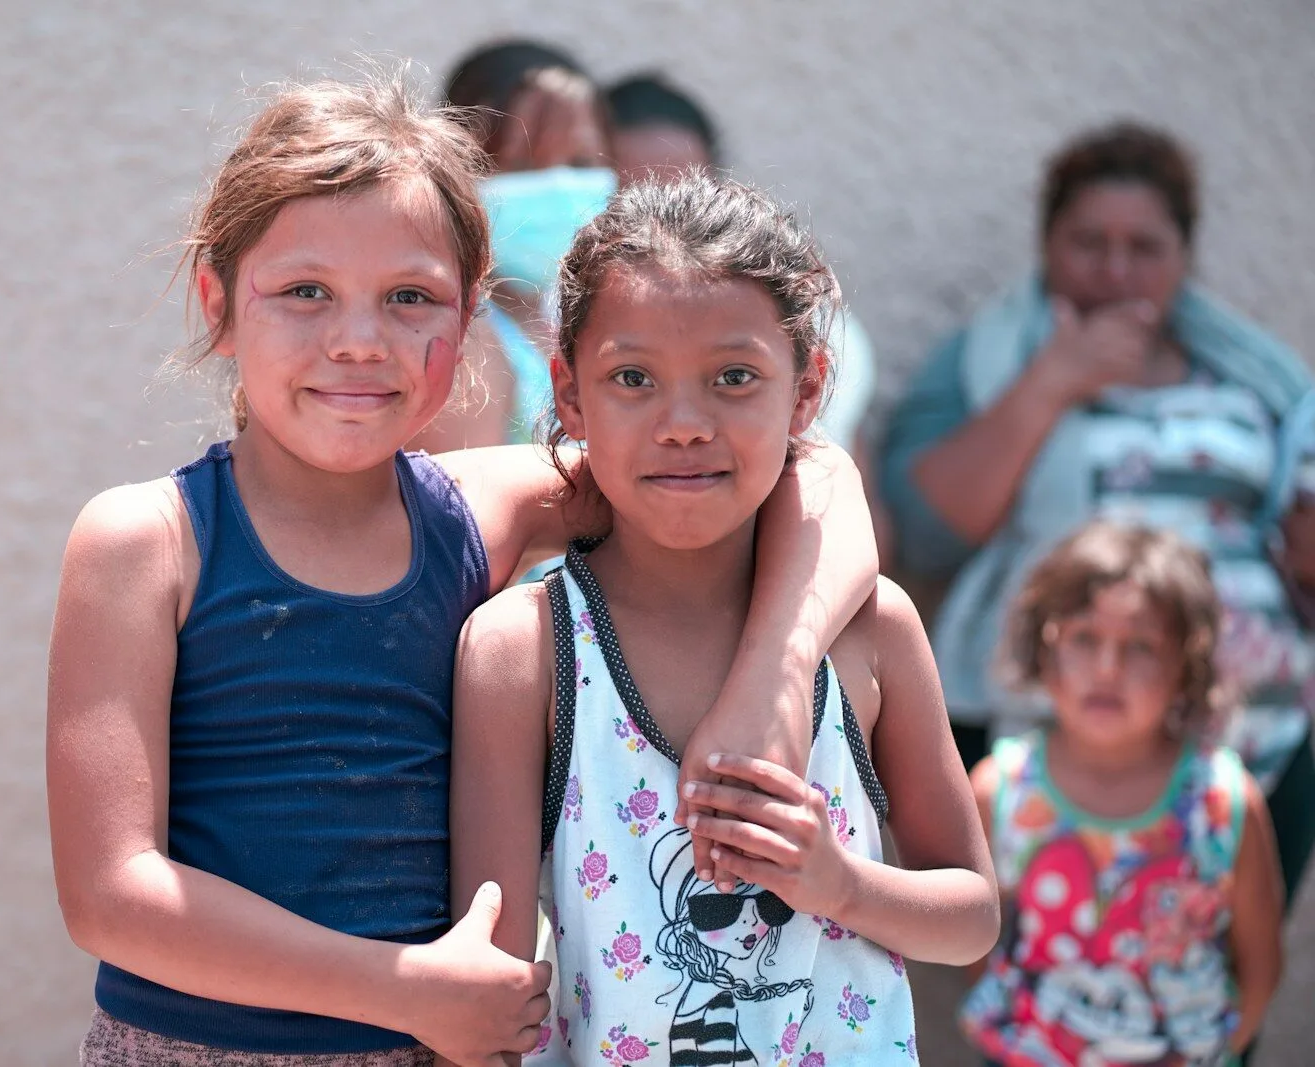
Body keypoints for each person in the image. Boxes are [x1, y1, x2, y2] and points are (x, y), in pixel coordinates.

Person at [46, 73, 882, 1066]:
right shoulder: (147, 542)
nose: (358, 339)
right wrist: (401, 986)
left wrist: (770, 686)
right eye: (305, 291)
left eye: (409, 298)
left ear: (471, 316)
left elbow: (815, 471)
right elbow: (109, 894)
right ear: (219, 304)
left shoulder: (475, 510)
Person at [449, 173, 998, 1065]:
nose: (684, 424)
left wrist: (841, 884)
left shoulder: (871, 631)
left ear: (808, 388)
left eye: (734, 376)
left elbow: (971, 916)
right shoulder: (526, 651)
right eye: (633, 378)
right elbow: (493, 999)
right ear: (569, 391)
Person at [878, 121, 1315, 906]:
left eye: (1144, 247)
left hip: (1262, 745)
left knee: (1218, 991)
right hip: (1073, 748)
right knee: (1059, 978)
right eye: (1088, 242)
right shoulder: (993, 360)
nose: (1116, 270)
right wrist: (1053, 382)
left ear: (1184, 257)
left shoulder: (1256, 378)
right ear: (1046, 247)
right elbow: (923, 531)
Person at [960, 522, 1283, 1066]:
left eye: (1140, 647)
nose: (1107, 670)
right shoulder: (1000, 791)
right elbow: (975, 948)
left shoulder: (1225, 802)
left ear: (1187, 665)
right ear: (1045, 648)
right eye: (1085, 639)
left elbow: (1260, 965)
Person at [604, 73, 878, 453]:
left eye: (735, 377)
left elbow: (847, 464)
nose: (656, 225)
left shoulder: (818, 327)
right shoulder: (562, 316)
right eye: (633, 378)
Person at [412, 41, 616, 453]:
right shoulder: (463, 336)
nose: (558, 186)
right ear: (460, 173)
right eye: (522, 165)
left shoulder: (569, 314)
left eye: (579, 163)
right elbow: (467, 506)